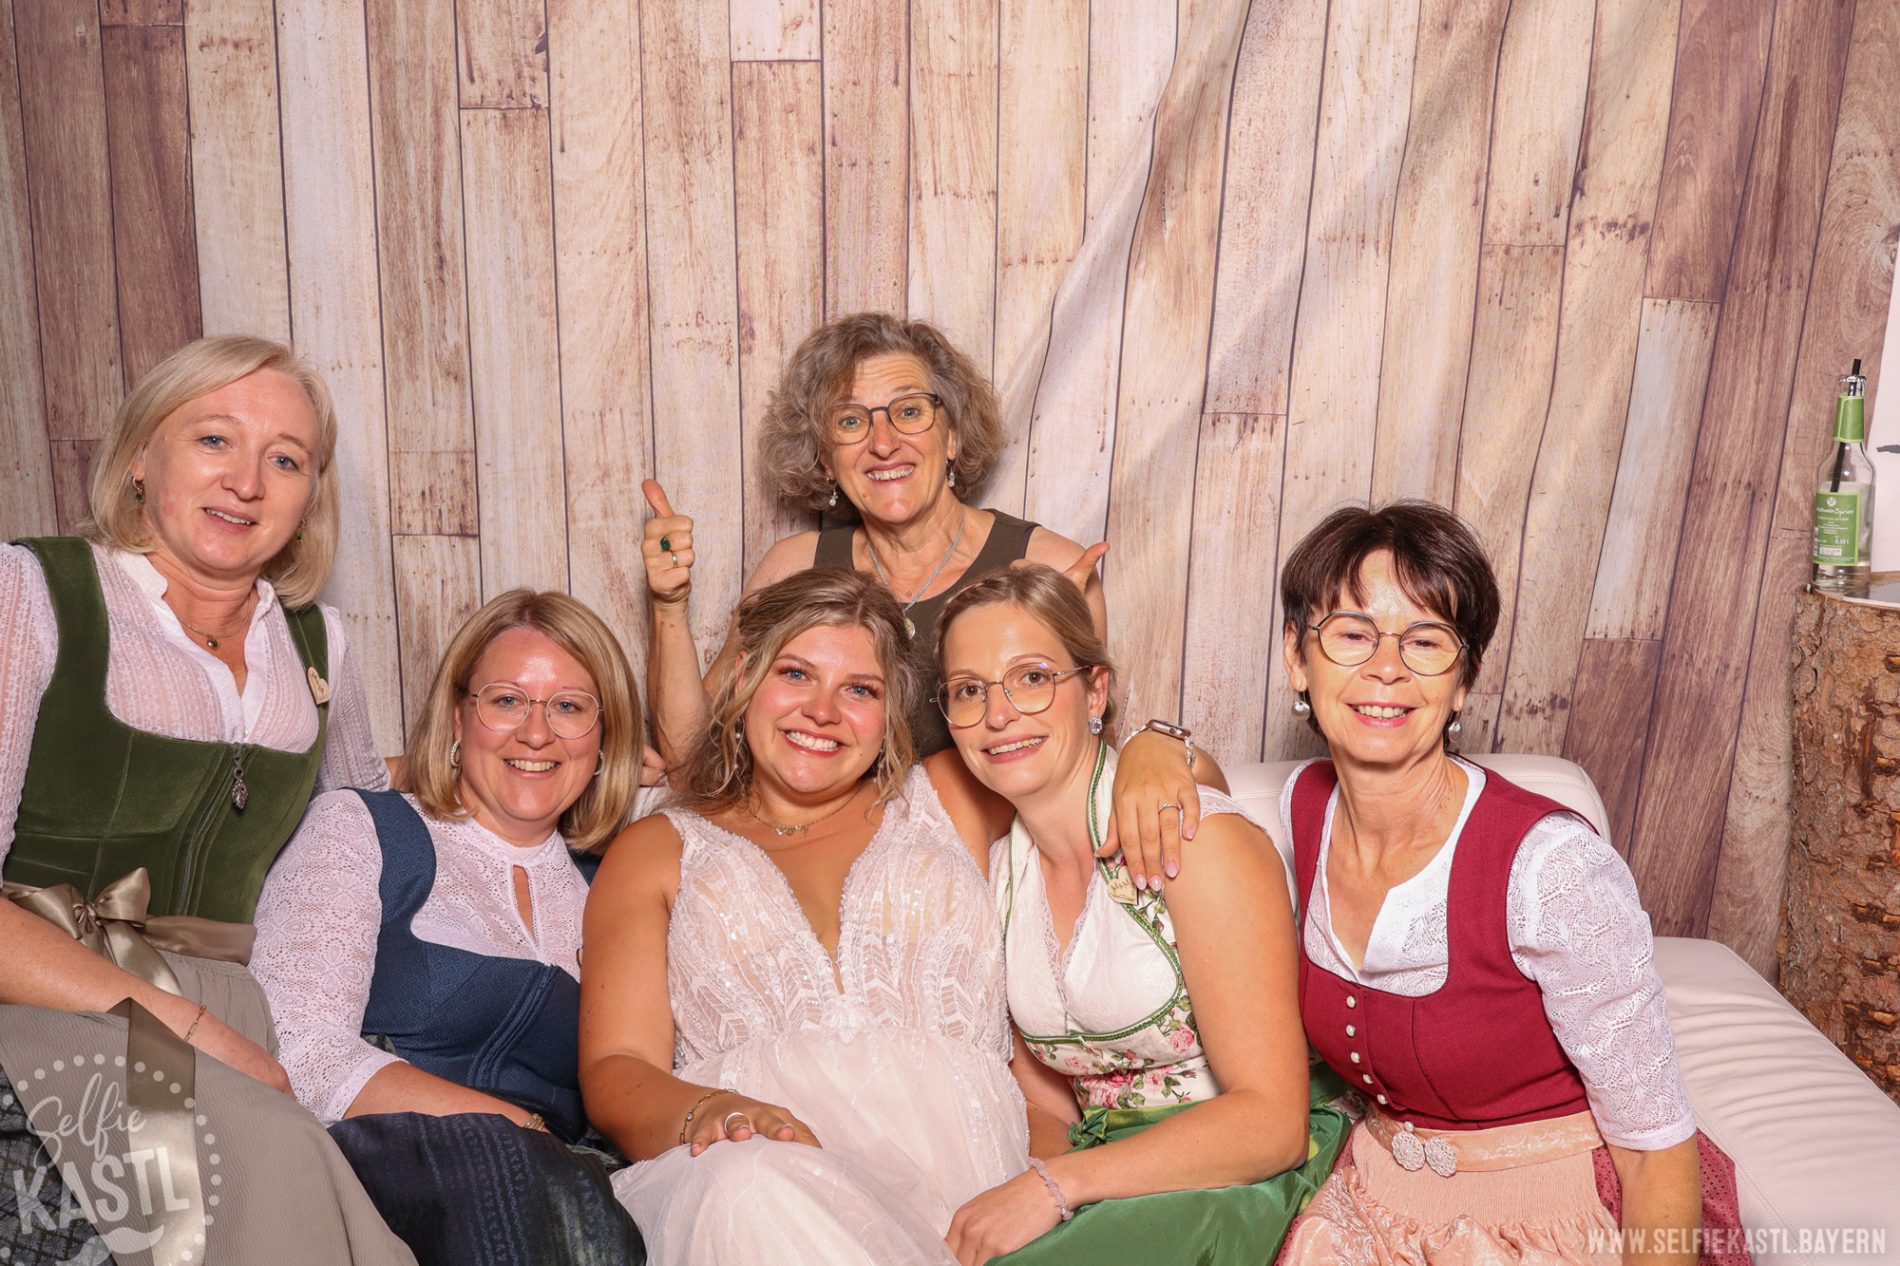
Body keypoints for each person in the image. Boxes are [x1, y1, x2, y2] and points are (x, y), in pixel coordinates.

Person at [0, 335, 412, 1263]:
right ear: (141, 457)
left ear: (309, 498)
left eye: (286, 460)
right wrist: (189, 1029)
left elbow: (365, 812)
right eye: (214, 440)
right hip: (57, 992)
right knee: (265, 1156)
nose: (247, 482)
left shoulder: (319, 645)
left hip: (240, 1004)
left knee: (329, 1188)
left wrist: (566, 755)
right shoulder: (34, 592)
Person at [1271, 501, 1747, 1266]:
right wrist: (1162, 748)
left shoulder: (1552, 868)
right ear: (1298, 658)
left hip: (1554, 1219)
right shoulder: (1303, 807)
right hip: (1374, 1209)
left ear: (1463, 681)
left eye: (1425, 641)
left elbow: (1654, 1149)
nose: (1386, 668)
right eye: (1353, 634)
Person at [640, 311, 1214, 891]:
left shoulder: (1048, 568)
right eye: (850, 421)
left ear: (954, 435)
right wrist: (669, 606)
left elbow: (1082, 761)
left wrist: (1161, 745)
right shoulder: (793, 567)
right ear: (826, 457)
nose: (883, 442)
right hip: (822, 872)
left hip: (981, 880)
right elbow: (691, 761)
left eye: (910, 411)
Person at [580, 567, 1031, 1266]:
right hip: (760, 1179)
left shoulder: (952, 796)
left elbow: (1091, 777)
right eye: (795, 674)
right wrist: (708, 1112)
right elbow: (617, 1064)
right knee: (748, 1189)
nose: (823, 711)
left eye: (860, 690)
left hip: (968, 1181)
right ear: (743, 681)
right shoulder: (660, 848)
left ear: (891, 712)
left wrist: (1164, 750)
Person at [930, 566, 1350, 1266]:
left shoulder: (1197, 838)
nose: (998, 714)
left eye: (1032, 678)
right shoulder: (1000, 874)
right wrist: (1036, 1194)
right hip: (1105, 1169)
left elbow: (1272, 1123)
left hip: (1240, 1170)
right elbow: (1048, 1103)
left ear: (1094, 691)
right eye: (970, 690)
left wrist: (1057, 1189)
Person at [252, 590, 650, 1265]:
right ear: (458, 718)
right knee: (505, 1171)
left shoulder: (619, 881)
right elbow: (298, 1047)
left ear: (604, 738)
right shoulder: (362, 827)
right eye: (507, 700)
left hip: (573, 1199)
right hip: (381, 1179)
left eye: (569, 707)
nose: (536, 733)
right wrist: (516, 1128)